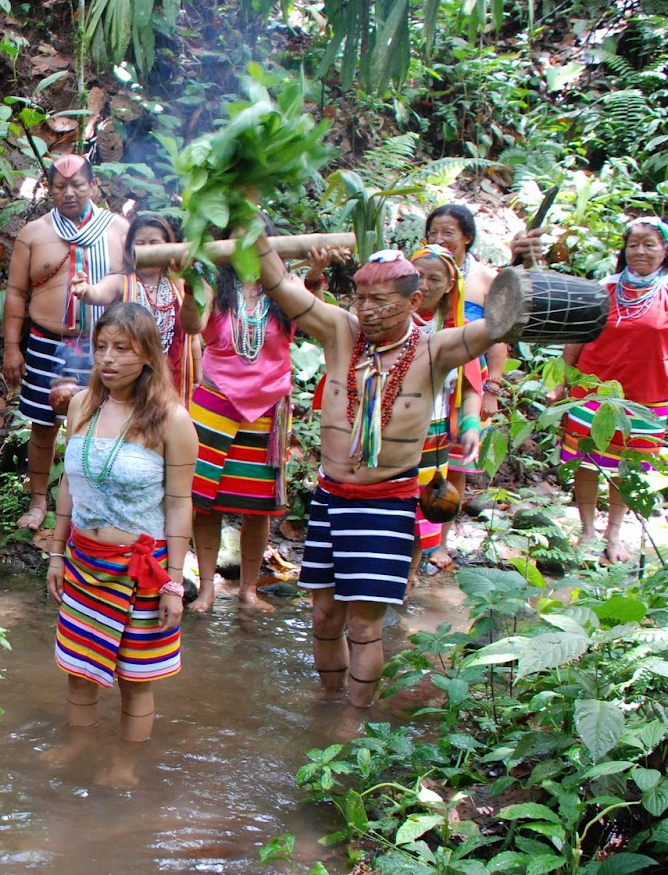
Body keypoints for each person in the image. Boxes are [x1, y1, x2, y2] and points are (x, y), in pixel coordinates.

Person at [257, 242, 509, 707]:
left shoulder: (435, 350)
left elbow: (497, 326)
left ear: (415, 302)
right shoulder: (339, 333)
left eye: (380, 301)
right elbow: (277, 283)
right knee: (325, 616)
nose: (367, 311)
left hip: (387, 501)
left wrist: (518, 290)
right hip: (331, 497)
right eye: (360, 299)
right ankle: (326, 702)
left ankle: (353, 720)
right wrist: (247, 219)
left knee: (364, 624)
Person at [45, 303, 196, 742]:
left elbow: (180, 503)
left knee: (136, 677)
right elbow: (70, 487)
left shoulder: (172, 419)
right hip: (83, 561)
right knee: (78, 672)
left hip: (141, 570)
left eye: (122, 349)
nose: (108, 359)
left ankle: (128, 767)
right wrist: (56, 555)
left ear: (148, 354)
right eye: (101, 347)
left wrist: (174, 583)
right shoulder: (81, 405)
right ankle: (78, 750)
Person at [2, 154, 130, 532]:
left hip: (102, 345)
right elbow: (15, 293)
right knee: (43, 425)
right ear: (50, 190)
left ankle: (92, 506)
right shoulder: (34, 233)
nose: (69, 193)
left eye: (77, 185)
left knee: (104, 426)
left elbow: (134, 288)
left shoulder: (119, 230)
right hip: (46, 342)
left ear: (93, 186)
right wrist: (12, 347)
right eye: (60, 186)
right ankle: (40, 501)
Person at [180, 256, 295, 613]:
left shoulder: (286, 287)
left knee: (257, 509)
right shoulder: (215, 285)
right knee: (206, 504)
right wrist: (190, 289)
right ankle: (207, 589)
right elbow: (193, 325)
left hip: (267, 407)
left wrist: (318, 275)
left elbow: (314, 318)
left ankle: (248, 590)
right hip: (215, 403)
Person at [558, 216, 668, 562]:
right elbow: (576, 340)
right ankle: (588, 530)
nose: (640, 251)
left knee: (627, 466)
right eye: (633, 244)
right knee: (587, 461)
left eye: (649, 244)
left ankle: (614, 534)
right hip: (591, 392)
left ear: (664, 251)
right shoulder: (603, 289)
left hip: (647, 399)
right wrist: (561, 382)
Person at [408, 244, 483, 574]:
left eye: (433, 280)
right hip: (386, 429)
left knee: (418, 514)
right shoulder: (387, 317)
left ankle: (406, 584)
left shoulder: (459, 330)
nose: (423, 286)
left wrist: (470, 425)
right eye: (417, 277)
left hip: (433, 432)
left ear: (450, 286)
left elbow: (470, 387)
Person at [72, 213, 197, 400]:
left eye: (154, 243)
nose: (147, 250)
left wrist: (198, 375)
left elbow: (192, 338)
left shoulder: (180, 285)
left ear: (169, 248)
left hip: (173, 380)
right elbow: (97, 293)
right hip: (127, 381)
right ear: (130, 250)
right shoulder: (120, 282)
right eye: (140, 243)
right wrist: (85, 290)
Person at [424, 205, 506, 433]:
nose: (438, 239)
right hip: (425, 383)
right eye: (432, 233)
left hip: (470, 382)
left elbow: (498, 336)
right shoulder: (417, 275)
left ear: (467, 237)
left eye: (448, 233)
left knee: (462, 455)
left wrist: (491, 389)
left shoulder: (487, 279)